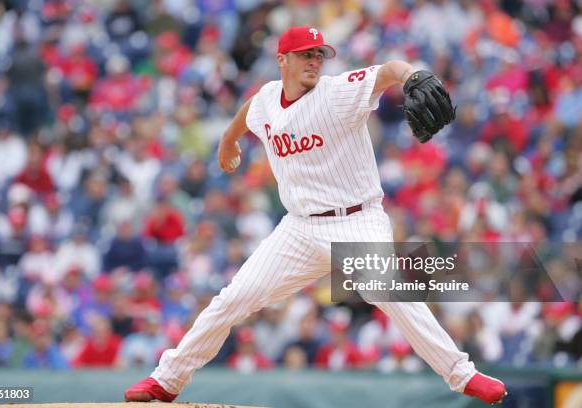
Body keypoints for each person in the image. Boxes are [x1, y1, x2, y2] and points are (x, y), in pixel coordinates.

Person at [125, 27, 507, 405]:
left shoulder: (337, 92)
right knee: (232, 299)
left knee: (386, 288)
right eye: (306, 54)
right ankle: (167, 379)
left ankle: (463, 374)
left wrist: (411, 75)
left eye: (319, 55)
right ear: (282, 60)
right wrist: (228, 142)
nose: (314, 61)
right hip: (300, 228)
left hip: (357, 217)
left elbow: (389, 69)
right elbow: (248, 113)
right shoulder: (267, 100)